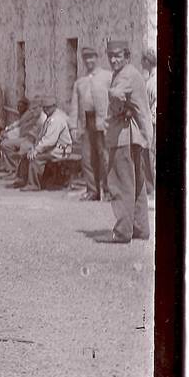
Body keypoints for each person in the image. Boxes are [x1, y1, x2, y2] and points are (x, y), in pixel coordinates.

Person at [104, 40, 152, 242]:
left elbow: (116, 94)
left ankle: (123, 231)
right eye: (110, 56)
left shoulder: (125, 74)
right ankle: (140, 228)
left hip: (124, 136)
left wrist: (118, 109)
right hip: (138, 136)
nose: (114, 60)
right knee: (137, 183)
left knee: (121, 183)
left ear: (127, 56)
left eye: (118, 55)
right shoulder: (132, 72)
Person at [70, 47, 109, 200]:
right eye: (86, 58)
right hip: (86, 122)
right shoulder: (80, 82)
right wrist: (73, 126)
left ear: (97, 58)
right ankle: (92, 191)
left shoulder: (107, 77)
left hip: (102, 122)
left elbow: (113, 100)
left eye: (91, 57)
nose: (89, 61)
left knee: (104, 156)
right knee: (87, 158)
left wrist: (110, 121)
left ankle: (108, 190)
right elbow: (74, 105)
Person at [21, 93, 74, 190]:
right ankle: (23, 181)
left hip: (60, 150)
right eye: (44, 108)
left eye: (48, 108)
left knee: (36, 158)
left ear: (54, 106)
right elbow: (43, 137)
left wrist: (37, 150)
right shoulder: (50, 117)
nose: (46, 110)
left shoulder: (56, 119)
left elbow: (50, 140)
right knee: (27, 154)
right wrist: (34, 147)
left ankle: (34, 185)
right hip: (53, 148)